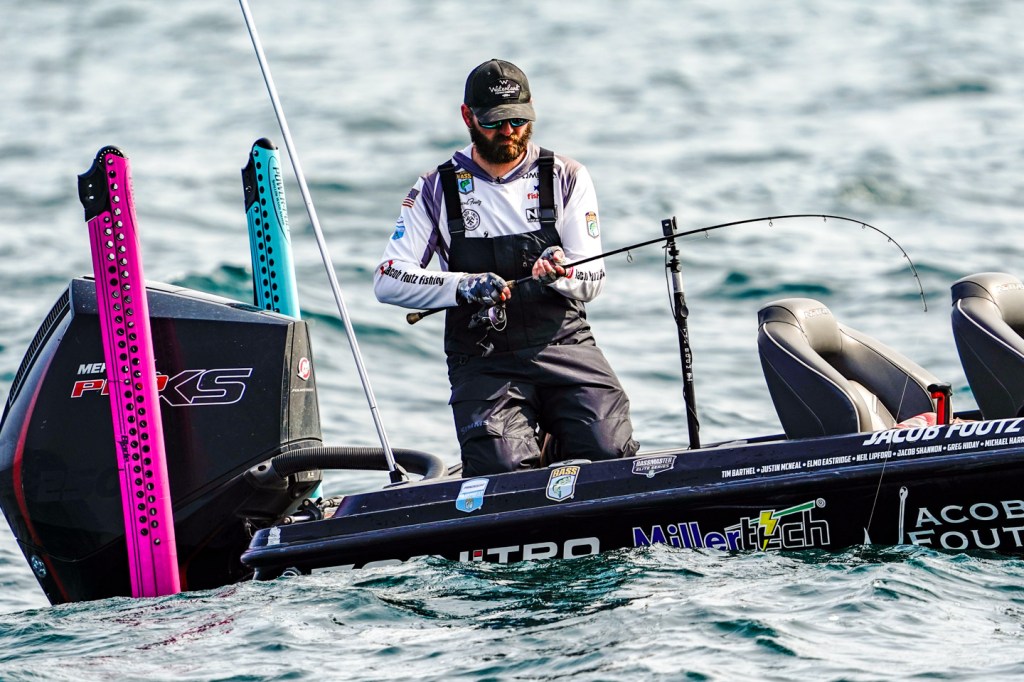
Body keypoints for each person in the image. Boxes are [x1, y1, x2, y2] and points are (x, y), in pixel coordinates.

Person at [374, 58, 638, 477]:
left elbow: (594, 278)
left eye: (518, 119)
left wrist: (564, 273)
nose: (509, 131)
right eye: (495, 121)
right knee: (502, 471)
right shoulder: (435, 188)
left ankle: (555, 440)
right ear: (468, 117)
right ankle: (526, 446)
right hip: (484, 359)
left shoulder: (567, 176)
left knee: (609, 452)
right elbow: (387, 278)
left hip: (565, 345)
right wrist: (463, 285)